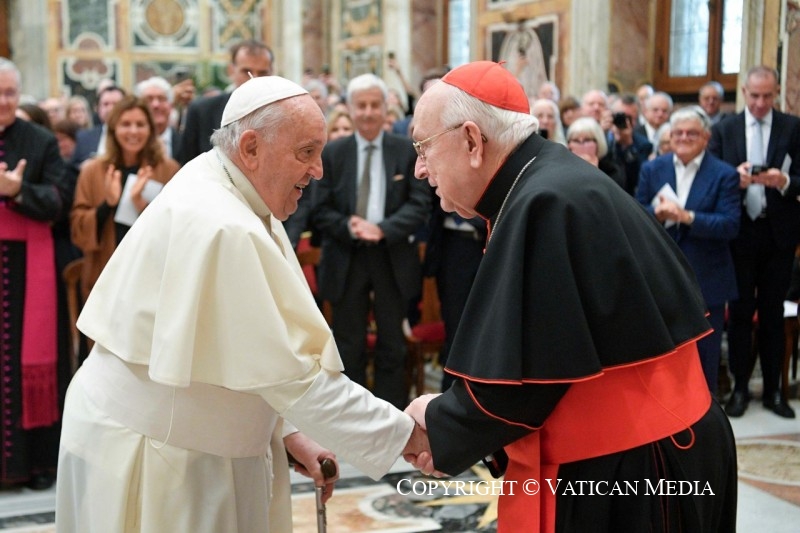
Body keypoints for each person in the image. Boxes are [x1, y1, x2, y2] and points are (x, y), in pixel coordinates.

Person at [56, 75, 429, 531]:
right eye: (306, 152)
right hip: (157, 451)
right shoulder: (223, 224)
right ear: (251, 148)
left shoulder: (227, 186)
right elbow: (296, 377)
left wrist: (290, 434)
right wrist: (407, 434)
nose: (319, 171)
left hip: (190, 438)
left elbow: (247, 354)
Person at [404, 60, 737, 532]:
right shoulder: (546, 183)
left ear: (473, 141)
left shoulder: (544, 204)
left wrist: (439, 422)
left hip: (636, 470)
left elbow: (520, 393)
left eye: (423, 146)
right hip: (635, 452)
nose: (419, 168)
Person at [312, 73, 431, 409]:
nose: (367, 112)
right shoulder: (333, 153)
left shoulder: (405, 152)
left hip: (391, 255)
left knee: (392, 343)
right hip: (347, 256)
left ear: (385, 108)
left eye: (374, 105)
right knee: (348, 344)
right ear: (349, 109)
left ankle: (391, 416)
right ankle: (354, 418)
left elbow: (421, 204)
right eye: (360, 105)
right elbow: (319, 209)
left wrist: (384, 229)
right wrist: (349, 225)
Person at [709, 65, 800, 419]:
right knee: (742, 313)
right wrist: (736, 180)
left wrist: (785, 180)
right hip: (740, 234)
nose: (761, 103)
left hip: (778, 234)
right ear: (744, 93)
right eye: (755, 95)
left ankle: (775, 391)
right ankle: (741, 388)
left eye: (767, 96)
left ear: (776, 94)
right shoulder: (725, 129)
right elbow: (713, 177)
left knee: (774, 313)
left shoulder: (792, 127)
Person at [636, 106, 741, 395]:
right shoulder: (652, 169)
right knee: (663, 356)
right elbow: (634, 214)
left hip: (707, 279)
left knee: (705, 357)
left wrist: (687, 217)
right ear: (669, 136)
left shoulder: (724, 174)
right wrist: (656, 214)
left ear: (706, 137)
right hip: (661, 277)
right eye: (678, 132)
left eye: (692, 133)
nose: (684, 137)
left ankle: (705, 423)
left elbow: (730, 225)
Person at [0, 57, 66, 491]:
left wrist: (18, 190)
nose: (1, 101)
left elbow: (57, 200)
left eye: (8, 93)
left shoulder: (40, 141)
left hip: (27, 275)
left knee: (29, 367)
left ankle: (36, 463)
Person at [70, 96, 180, 302]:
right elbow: (78, 230)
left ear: (150, 130)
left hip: (152, 279)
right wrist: (107, 205)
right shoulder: (92, 171)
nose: (133, 131)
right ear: (113, 130)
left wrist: (143, 208)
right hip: (105, 274)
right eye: (125, 124)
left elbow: (181, 229)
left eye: (140, 124)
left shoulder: (168, 169)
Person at [178, 39, 273, 164]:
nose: (254, 79)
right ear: (231, 70)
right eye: (246, 72)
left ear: (271, 72)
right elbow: (186, 166)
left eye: (262, 73)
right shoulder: (202, 111)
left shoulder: (286, 113)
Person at [70, 85, 126, 167]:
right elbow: (72, 169)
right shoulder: (84, 137)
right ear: (98, 109)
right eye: (105, 104)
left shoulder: (135, 135)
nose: (110, 109)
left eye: (115, 104)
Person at [607, 93, 653, 194]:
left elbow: (638, 179)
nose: (624, 121)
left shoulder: (644, 145)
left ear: (636, 120)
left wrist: (628, 145)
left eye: (629, 118)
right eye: (620, 116)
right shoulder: (602, 139)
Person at [566, 116, 625, 188]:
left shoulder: (612, 172)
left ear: (598, 143)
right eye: (575, 140)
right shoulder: (563, 170)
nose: (581, 145)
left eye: (587, 140)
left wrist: (593, 172)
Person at [134, 76, 182, 159]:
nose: (156, 105)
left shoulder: (184, 142)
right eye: (149, 99)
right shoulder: (131, 144)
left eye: (161, 99)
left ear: (170, 106)